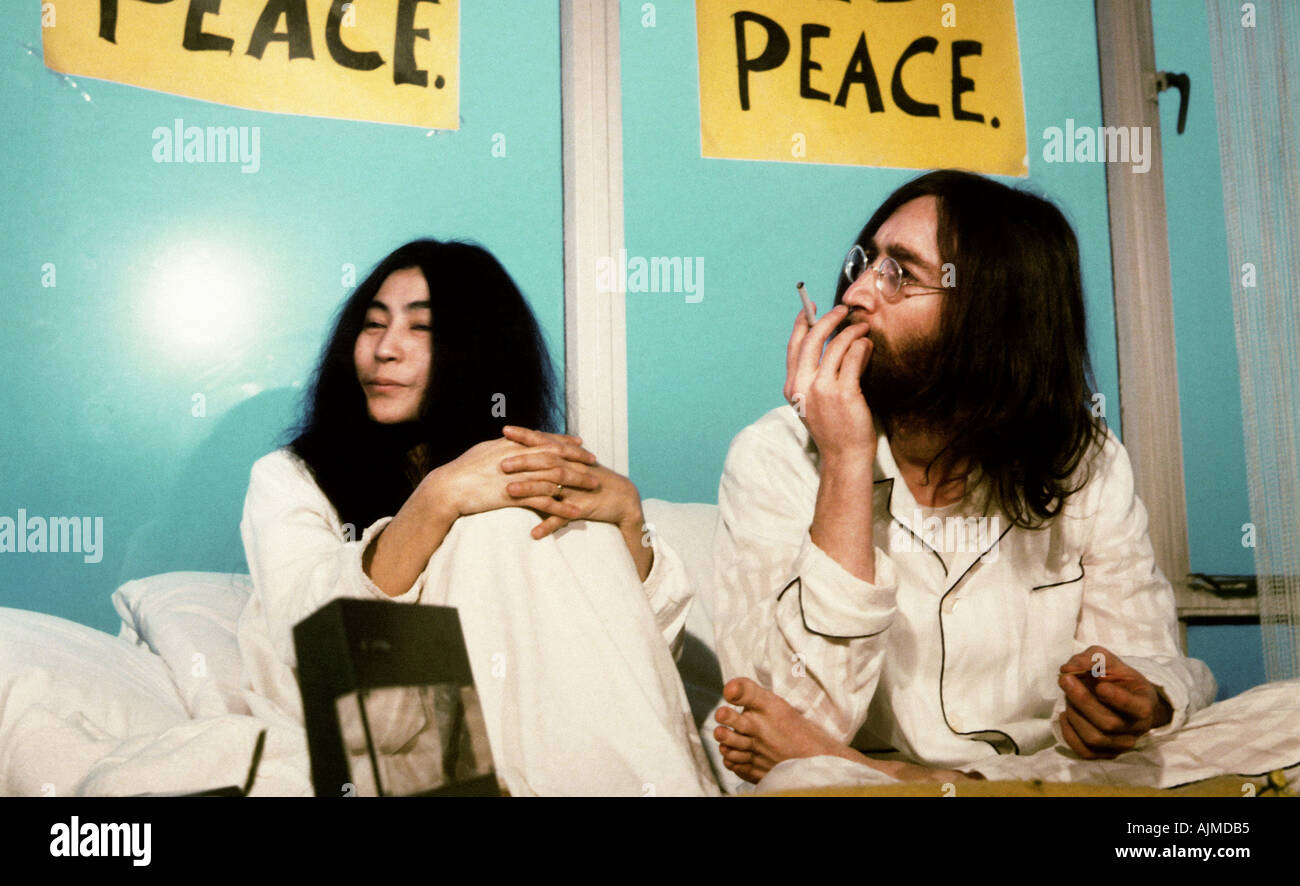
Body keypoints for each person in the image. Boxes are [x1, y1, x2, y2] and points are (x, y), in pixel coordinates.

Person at [711, 170, 1216, 788]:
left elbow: (1155, 663)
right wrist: (844, 463)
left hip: (1041, 777)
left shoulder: (1084, 461)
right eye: (866, 260)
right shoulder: (775, 455)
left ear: (992, 321)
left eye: (900, 272)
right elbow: (786, 727)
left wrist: (1141, 700)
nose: (858, 293)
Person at [235, 239, 716, 796]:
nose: (384, 350)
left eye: (422, 328)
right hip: (394, 733)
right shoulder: (288, 475)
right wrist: (436, 501)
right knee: (498, 521)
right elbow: (311, 634)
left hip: (555, 739)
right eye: (373, 324)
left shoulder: (527, 469)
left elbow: (635, 663)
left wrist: (629, 523)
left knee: (521, 517)